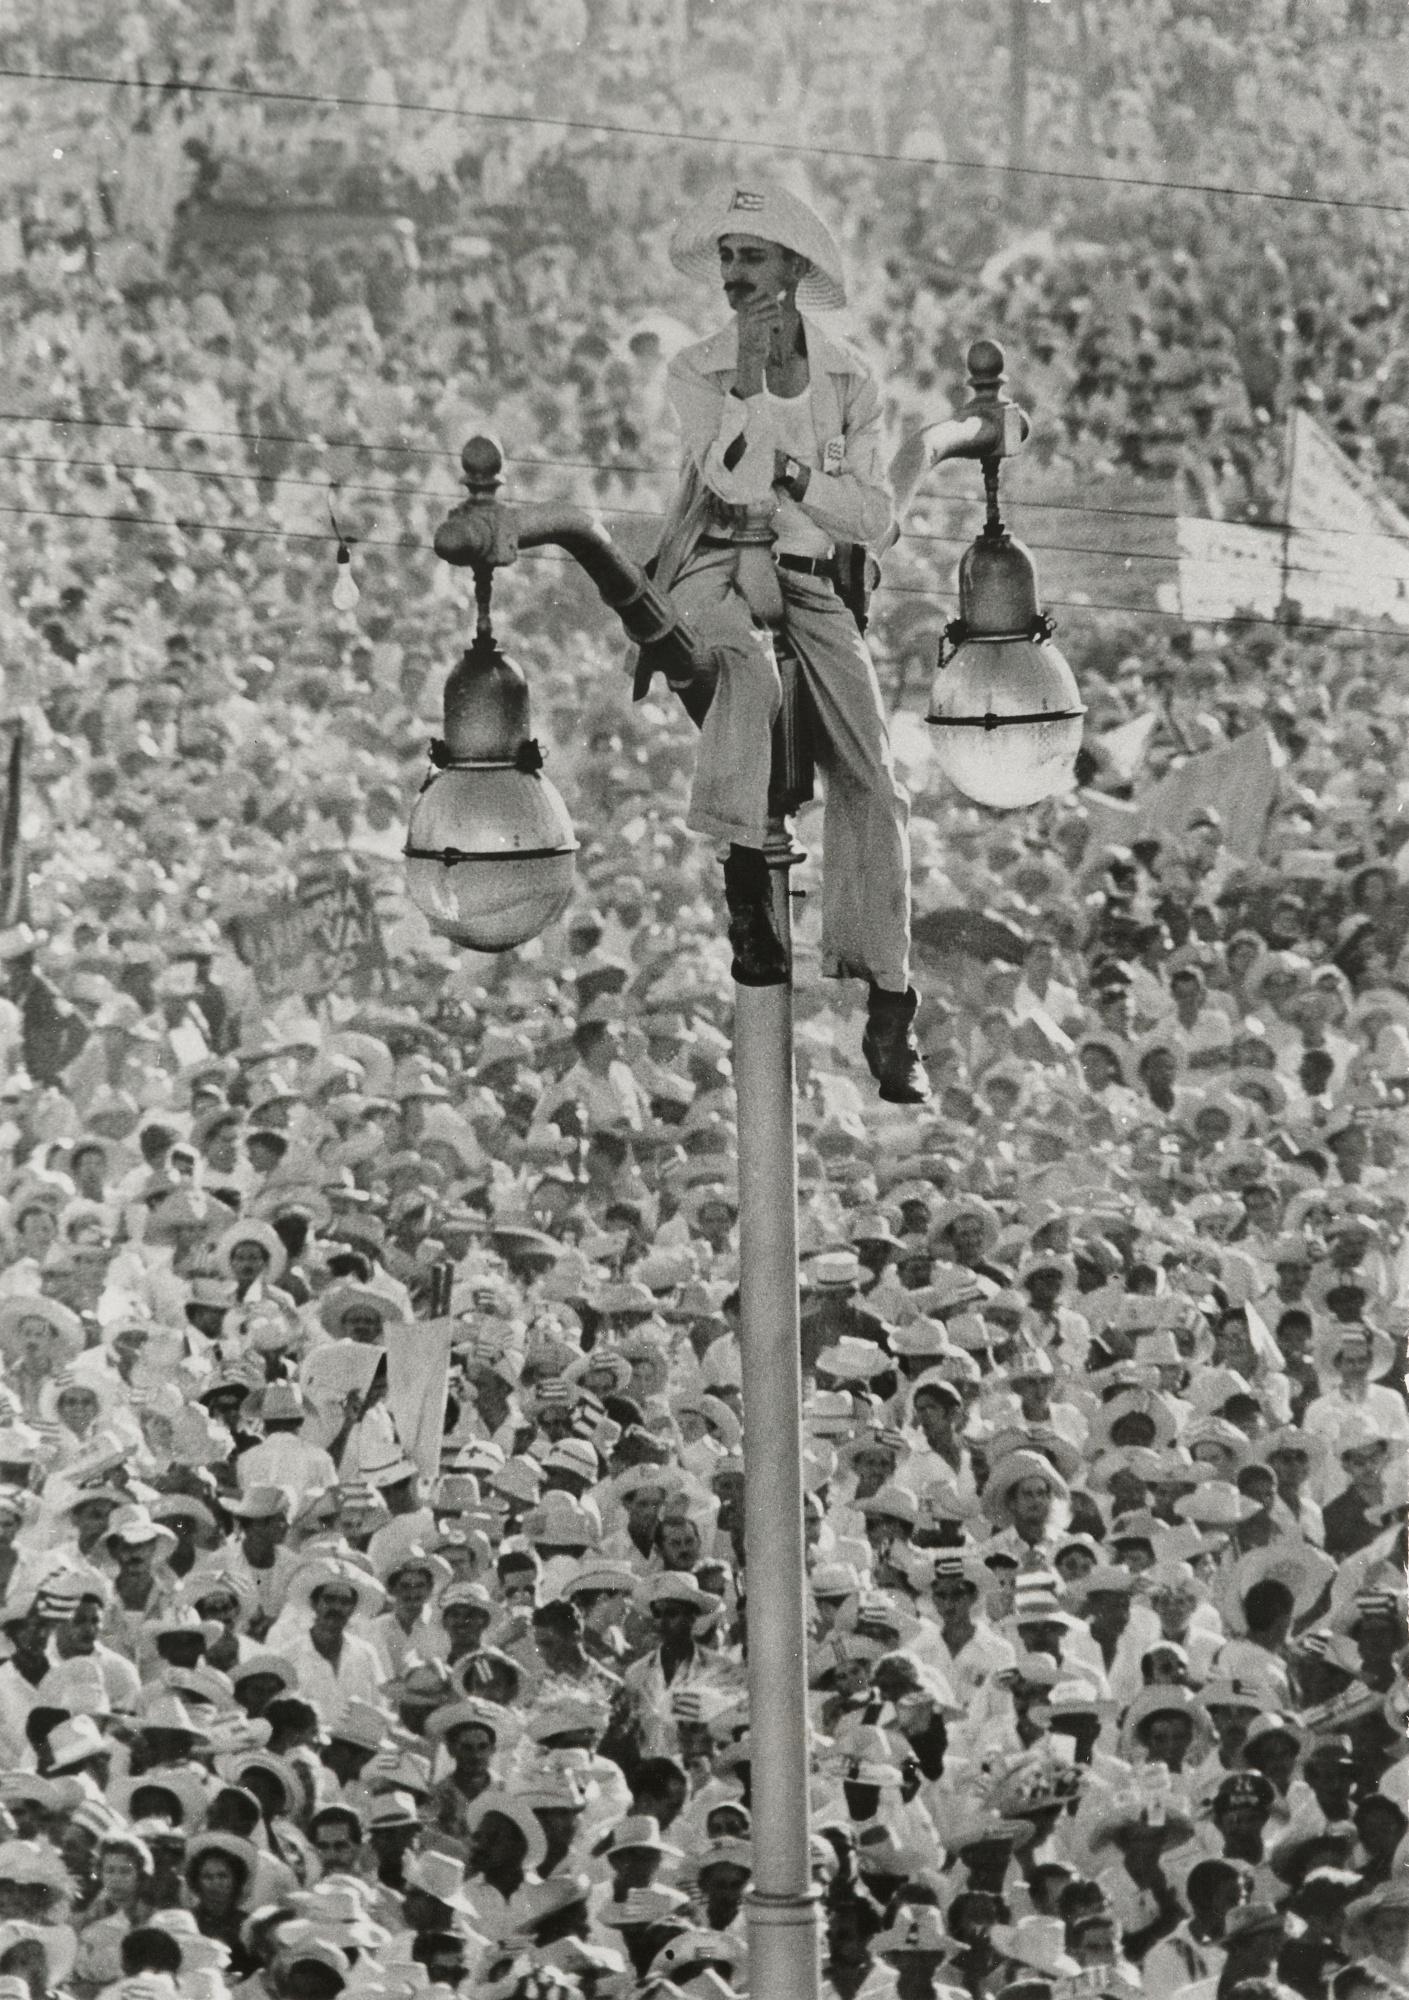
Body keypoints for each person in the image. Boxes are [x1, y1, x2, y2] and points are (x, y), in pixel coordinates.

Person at [643, 179, 927, 1103]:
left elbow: (873, 519)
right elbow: (730, 487)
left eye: (751, 257)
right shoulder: (696, 367)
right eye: (726, 258)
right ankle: (742, 881)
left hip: (809, 581)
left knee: (874, 776)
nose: (734, 275)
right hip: (717, 566)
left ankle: (887, 993)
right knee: (746, 679)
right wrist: (755, 390)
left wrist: (797, 466)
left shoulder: (849, 376)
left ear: (794, 269)